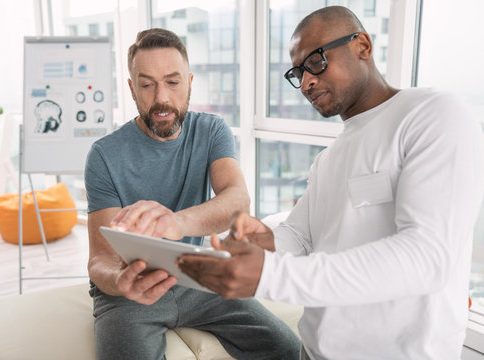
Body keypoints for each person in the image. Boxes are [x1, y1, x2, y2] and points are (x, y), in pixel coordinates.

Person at [178, 6, 484, 360]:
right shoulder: (329, 157)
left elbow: (426, 258)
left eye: (316, 61)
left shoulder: (433, 116)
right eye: (298, 72)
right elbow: (302, 235)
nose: (306, 81)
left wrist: (270, 274)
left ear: (363, 46)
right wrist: (265, 241)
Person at [84, 28, 300, 359]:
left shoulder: (212, 130)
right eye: (147, 84)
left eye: (173, 82)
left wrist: (176, 223)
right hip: (129, 294)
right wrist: (120, 280)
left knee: (287, 349)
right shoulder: (103, 155)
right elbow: (100, 259)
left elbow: (237, 199)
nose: (162, 98)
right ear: (131, 88)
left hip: (194, 277)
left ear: (190, 81)